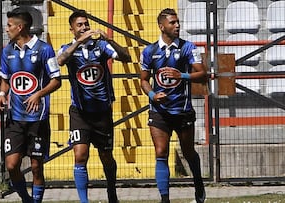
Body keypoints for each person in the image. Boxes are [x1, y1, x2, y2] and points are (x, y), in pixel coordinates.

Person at [57, 10, 131, 203]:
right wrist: (79, 43)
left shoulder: (101, 47)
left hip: (102, 112)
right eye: (79, 25)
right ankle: (84, 201)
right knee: (80, 155)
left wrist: (110, 40)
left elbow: (126, 57)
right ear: (72, 29)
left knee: (106, 156)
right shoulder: (68, 48)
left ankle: (112, 192)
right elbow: (60, 61)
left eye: (86, 24)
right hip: (79, 112)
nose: (84, 28)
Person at [140, 8, 207, 203]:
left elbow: (202, 74)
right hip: (159, 111)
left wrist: (182, 75)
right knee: (161, 152)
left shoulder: (188, 48)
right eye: (172, 22)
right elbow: (143, 80)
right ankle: (165, 199)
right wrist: (152, 94)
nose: (177, 25)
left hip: (182, 110)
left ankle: (199, 188)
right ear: (162, 26)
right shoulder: (149, 51)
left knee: (188, 152)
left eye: (178, 22)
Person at [0, 8, 61, 203]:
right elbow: (5, 79)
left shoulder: (44, 49)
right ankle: (26, 200)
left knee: (36, 167)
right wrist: (1, 94)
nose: (6, 29)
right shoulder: (7, 51)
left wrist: (38, 94)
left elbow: (57, 80)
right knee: (11, 165)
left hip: (37, 118)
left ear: (20, 27)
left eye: (9, 25)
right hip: (15, 119)